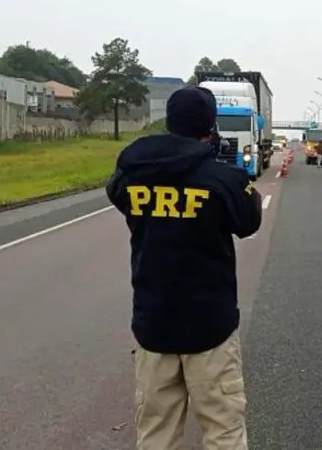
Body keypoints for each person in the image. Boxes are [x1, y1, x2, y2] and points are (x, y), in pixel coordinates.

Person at [106, 86, 262, 450]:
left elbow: (115, 193)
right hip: (210, 329)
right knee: (224, 433)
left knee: (156, 436)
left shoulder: (134, 173)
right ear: (210, 127)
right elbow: (249, 219)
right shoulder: (221, 179)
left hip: (153, 326)